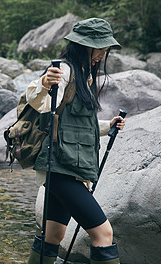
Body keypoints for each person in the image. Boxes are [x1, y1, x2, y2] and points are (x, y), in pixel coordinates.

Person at [26, 18, 126, 264]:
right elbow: (38, 102)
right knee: (103, 233)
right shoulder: (65, 71)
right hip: (61, 168)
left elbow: (76, 123)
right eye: (99, 48)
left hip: (67, 168)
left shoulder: (84, 76)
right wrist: (44, 82)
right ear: (84, 46)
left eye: (105, 50)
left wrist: (107, 126)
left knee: (54, 234)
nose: (102, 55)